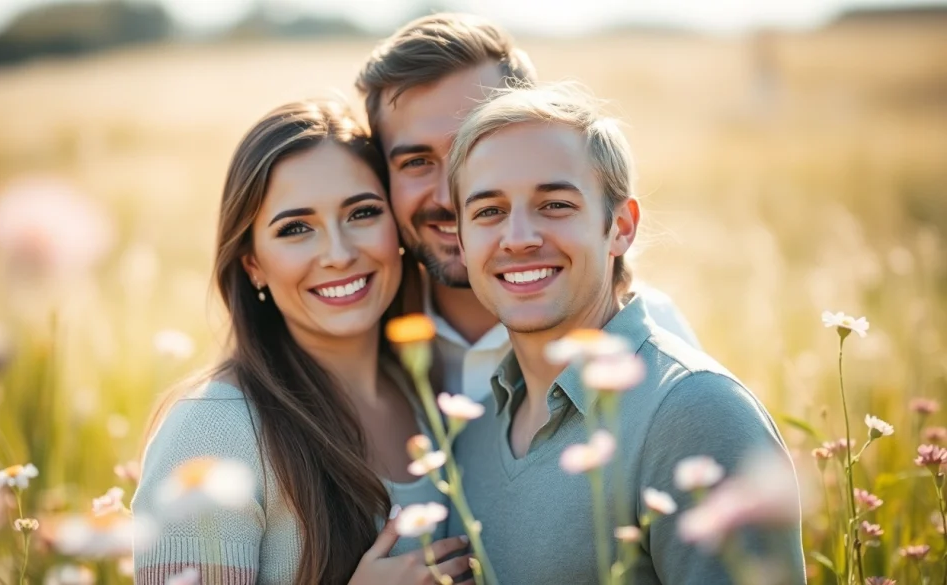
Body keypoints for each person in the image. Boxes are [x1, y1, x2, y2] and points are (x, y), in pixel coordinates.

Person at [443, 83, 806, 584]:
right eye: (489, 211)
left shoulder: (695, 412)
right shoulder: (476, 424)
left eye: (555, 205)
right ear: (461, 242)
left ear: (621, 226)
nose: (520, 238)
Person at [132, 99, 473, 585]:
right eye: (296, 228)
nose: (338, 254)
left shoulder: (432, 387)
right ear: (253, 264)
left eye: (362, 213)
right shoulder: (212, 432)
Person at [356, 13, 701, 403]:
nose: (448, 197)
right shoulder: (360, 335)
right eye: (416, 162)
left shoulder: (651, 343)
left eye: (472, 153)